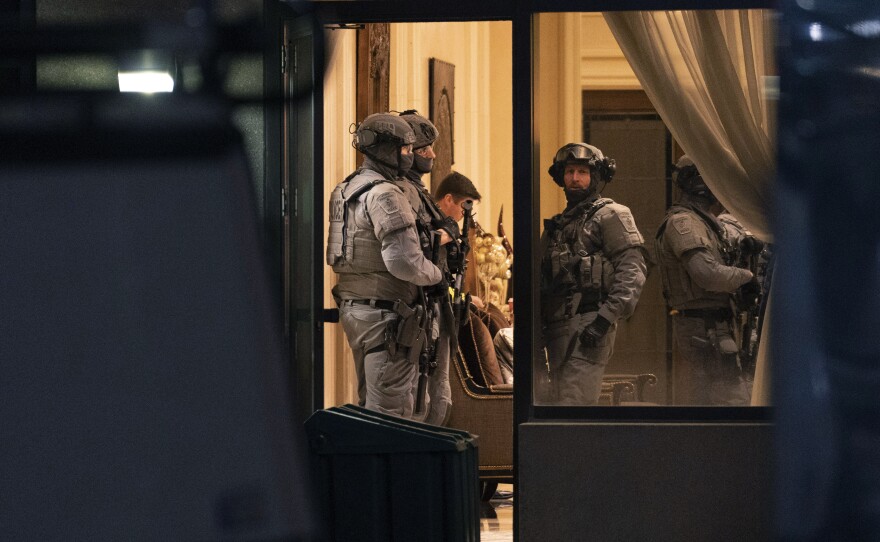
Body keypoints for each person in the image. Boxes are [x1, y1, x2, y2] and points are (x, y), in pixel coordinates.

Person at [326, 112, 444, 419]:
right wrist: (436, 275)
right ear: (384, 149)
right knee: (394, 413)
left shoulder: (345, 188)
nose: (409, 156)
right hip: (388, 315)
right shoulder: (386, 193)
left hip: (356, 310)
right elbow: (404, 263)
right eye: (404, 149)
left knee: (370, 405)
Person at [538, 142, 648, 405]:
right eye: (569, 172)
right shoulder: (556, 226)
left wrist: (603, 320)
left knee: (574, 403)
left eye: (582, 172)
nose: (575, 179)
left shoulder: (611, 215)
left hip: (588, 323)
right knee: (556, 405)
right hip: (556, 328)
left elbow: (633, 270)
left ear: (596, 176)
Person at [654, 155, 759, 405]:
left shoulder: (704, 221)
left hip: (716, 323)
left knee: (722, 396)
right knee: (729, 400)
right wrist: (747, 278)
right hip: (706, 326)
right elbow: (707, 275)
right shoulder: (684, 222)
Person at [391, 109, 460, 425]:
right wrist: (448, 233)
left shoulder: (418, 191)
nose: (431, 155)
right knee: (421, 400)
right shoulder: (402, 190)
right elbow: (414, 245)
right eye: (423, 150)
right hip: (418, 305)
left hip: (434, 303)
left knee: (437, 395)